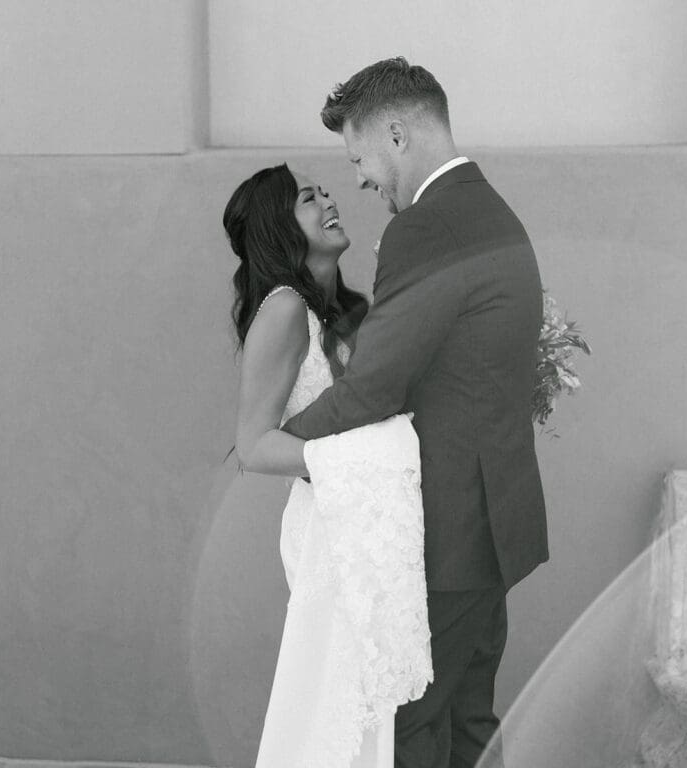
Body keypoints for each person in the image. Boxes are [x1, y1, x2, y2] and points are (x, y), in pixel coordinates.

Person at [280, 57, 548, 768]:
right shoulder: (490, 211)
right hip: (493, 525)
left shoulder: (428, 228)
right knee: (468, 724)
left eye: (360, 155)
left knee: (411, 730)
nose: (361, 178)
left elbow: (374, 389)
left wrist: (275, 447)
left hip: (447, 533)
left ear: (397, 135)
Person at [225, 163, 433, 768]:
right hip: (331, 525)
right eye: (308, 200)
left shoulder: (350, 309)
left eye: (324, 192)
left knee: (371, 696)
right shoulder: (285, 308)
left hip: (370, 517)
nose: (328, 202)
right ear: (278, 229)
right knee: (333, 700)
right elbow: (253, 446)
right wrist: (353, 463)